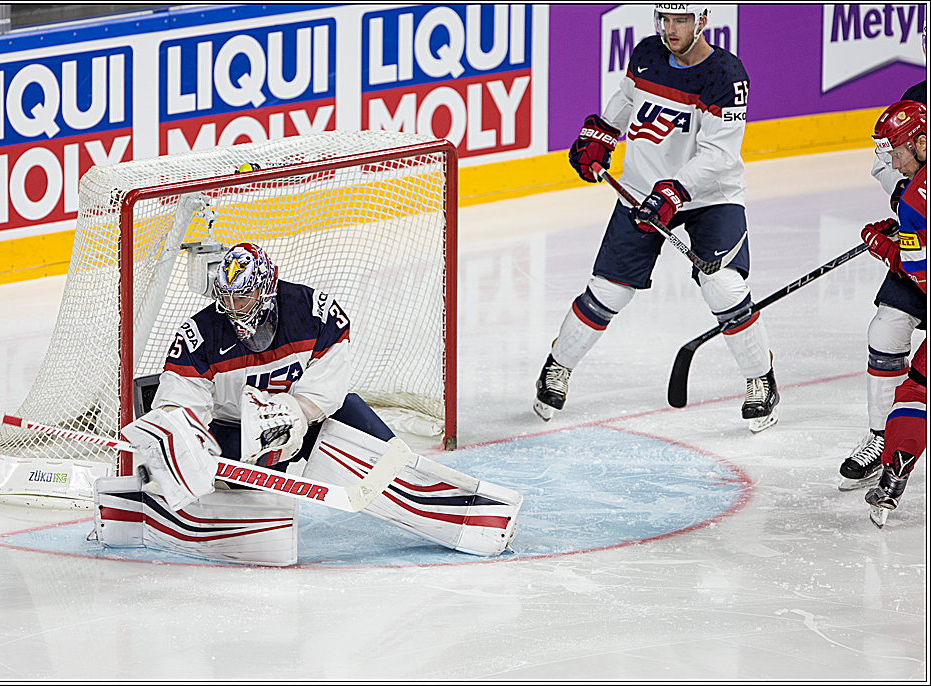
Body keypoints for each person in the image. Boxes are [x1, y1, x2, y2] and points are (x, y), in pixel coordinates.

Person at [96, 232, 521, 564]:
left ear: (266, 288)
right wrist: (185, 443)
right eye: (227, 297)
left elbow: (332, 381)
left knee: (379, 447)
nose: (235, 306)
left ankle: (450, 509)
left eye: (244, 295)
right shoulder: (199, 334)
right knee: (255, 511)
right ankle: (163, 510)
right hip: (235, 431)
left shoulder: (311, 310)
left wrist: (297, 411)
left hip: (307, 414)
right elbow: (179, 402)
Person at [535, 4, 778, 432]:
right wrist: (601, 134)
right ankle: (557, 366)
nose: (670, 29)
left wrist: (676, 190)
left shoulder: (725, 75)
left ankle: (761, 379)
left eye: (680, 20)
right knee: (607, 291)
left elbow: (719, 156)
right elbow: (627, 100)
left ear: (702, 21)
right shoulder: (647, 53)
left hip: (709, 197)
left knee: (722, 286)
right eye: (665, 19)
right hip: (643, 191)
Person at [839, 82, 927, 491]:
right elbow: (888, 158)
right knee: (886, 330)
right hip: (917, 231)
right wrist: (907, 199)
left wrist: (889, 247)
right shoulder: (917, 96)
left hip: (918, 246)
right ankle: (882, 438)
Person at [858, 100, 926, 527]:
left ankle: (892, 477)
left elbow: (923, 279)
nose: (893, 164)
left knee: (917, 391)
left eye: (897, 153)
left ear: (922, 143)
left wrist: (886, 247)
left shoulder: (915, 204)